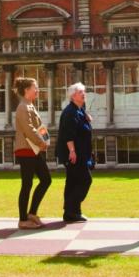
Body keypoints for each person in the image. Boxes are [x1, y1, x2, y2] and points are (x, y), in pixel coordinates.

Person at [13, 77, 51, 229]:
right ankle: (23, 219)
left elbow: (39, 126)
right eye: (35, 88)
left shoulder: (30, 106)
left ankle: (32, 213)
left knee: (46, 179)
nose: (38, 90)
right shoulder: (23, 107)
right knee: (27, 184)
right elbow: (29, 129)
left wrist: (46, 141)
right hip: (26, 150)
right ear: (27, 90)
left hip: (34, 150)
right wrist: (41, 142)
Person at [57, 82, 93, 223]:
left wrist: (86, 116)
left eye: (84, 91)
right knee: (85, 180)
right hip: (73, 153)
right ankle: (72, 209)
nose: (83, 94)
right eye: (80, 92)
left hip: (82, 152)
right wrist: (72, 151)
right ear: (72, 96)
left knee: (72, 182)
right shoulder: (70, 112)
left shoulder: (80, 109)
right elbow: (68, 134)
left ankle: (71, 213)